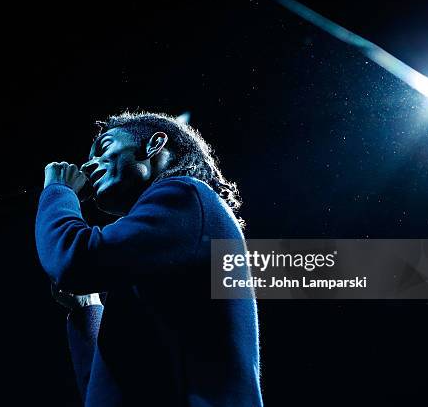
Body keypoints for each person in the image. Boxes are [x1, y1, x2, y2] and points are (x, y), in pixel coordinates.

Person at [35, 112, 263, 406]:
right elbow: (114, 387)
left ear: (154, 145)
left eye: (104, 148)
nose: (88, 165)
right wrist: (88, 310)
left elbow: (73, 258)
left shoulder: (184, 194)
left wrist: (58, 191)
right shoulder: (156, 248)